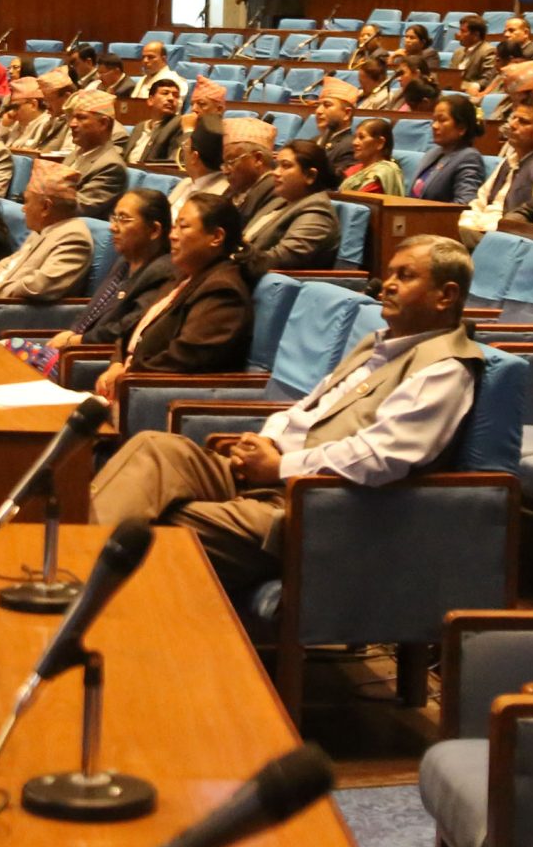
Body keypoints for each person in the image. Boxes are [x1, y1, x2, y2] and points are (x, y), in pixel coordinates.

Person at [89, 236, 482, 593]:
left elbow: (382, 458)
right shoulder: (379, 345)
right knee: (155, 449)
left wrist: (281, 466)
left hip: (309, 506)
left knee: (155, 524)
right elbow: (309, 408)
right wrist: (268, 439)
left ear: (445, 296)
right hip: (272, 473)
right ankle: (70, 565)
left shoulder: (444, 369)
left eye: (405, 276)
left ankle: (77, 586)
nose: (388, 284)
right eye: (390, 273)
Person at [91, 194, 254, 402]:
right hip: (128, 385)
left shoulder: (222, 290)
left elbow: (183, 358)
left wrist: (128, 376)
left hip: (154, 396)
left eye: (183, 227)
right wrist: (116, 363)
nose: (172, 236)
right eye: (174, 226)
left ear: (216, 237)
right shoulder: (182, 275)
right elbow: (132, 330)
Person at [14, 189, 177, 374]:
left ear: (154, 230)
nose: (113, 227)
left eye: (123, 219)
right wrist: (73, 333)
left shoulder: (162, 272)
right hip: (76, 347)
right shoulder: (125, 261)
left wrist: (78, 341)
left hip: (93, 358)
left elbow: (127, 328)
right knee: (5, 349)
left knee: (9, 357)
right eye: (114, 218)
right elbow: (95, 310)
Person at [0, 163, 96, 310]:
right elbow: (7, 264)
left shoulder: (74, 238)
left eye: (27, 202)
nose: (23, 209)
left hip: (16, 317)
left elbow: (38, 286)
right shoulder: (43, 230)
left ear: (46, 207)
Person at [240, 138, 342, 275]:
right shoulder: (280, 200)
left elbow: (281, 260)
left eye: (286, 166)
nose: (275, 172)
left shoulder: (317, 212)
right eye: (276, 165)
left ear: (310, 175)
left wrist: (234, 254)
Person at [459, 100, 533, 242]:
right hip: (480, 229)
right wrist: (468, 222)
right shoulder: (508, 160)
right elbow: (479, 201)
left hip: (506, 237)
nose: (513, 125)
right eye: (513, 118)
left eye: (523, 122)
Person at [62, 88, 129, 220]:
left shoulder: (111, 166)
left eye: (81, 118)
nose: (72, 124)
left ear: (104, 123)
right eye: (72, 118)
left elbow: (77, 208)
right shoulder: (74, 155)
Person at [409, 96, 485, 204]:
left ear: (461, 128)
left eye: (442, 120)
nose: (434, 126)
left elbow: (464, 204)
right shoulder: (432, 153)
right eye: (434, 120)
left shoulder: (469, 157)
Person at [168, 114, 232, 212]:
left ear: (194, 157)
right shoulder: (184, 183)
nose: (183, 152)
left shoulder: (219, 196)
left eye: (185, 146)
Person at [123, 80, 185, 166]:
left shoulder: (179, 124)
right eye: (165, 93)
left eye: (176, 96)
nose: (171, 98)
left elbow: (174, 162)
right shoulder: (139, 127)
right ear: (150, 100)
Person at [339, 116, 405, 196]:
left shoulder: (382, 173)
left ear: (380, 143)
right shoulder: (353, 169)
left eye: (361, 137)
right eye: (355, 137)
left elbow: (359, 201)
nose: (354, 143)